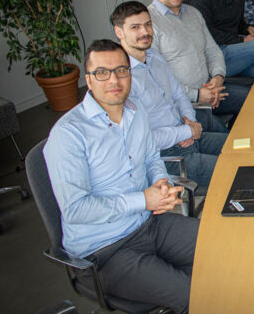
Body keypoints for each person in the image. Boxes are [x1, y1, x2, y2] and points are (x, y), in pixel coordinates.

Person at [43, 39, 198, 313]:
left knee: (221, 253)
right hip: (105, 251)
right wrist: (143, 200)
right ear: (88, 80)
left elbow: (152, 158)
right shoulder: (68, 135)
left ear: (130, 73)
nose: (113, 79)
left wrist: (160, 182)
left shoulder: (136, 110)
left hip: (149, 224)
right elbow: (76, 209)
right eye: (102, 72)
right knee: (195, 296)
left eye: (121, 71)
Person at [112, 1, 228, 187]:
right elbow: (142, 139)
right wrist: (184, 131)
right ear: (119, 32)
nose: (145, 32)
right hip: (166, 156)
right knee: (235, 170)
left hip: (188, 133)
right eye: (135, 27)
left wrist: (189, 121)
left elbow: (179, 94)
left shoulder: (155, 57)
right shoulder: (120, 80)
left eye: (148, 24)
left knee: (242, 147)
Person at [148, 0, 249, 118]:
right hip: (183, 104)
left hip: (212, 89)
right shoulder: (148, 23)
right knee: (225, 139)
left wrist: (218, 77)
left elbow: (212, 50)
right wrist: (196, 95)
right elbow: (155, 77)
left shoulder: (193, 13)